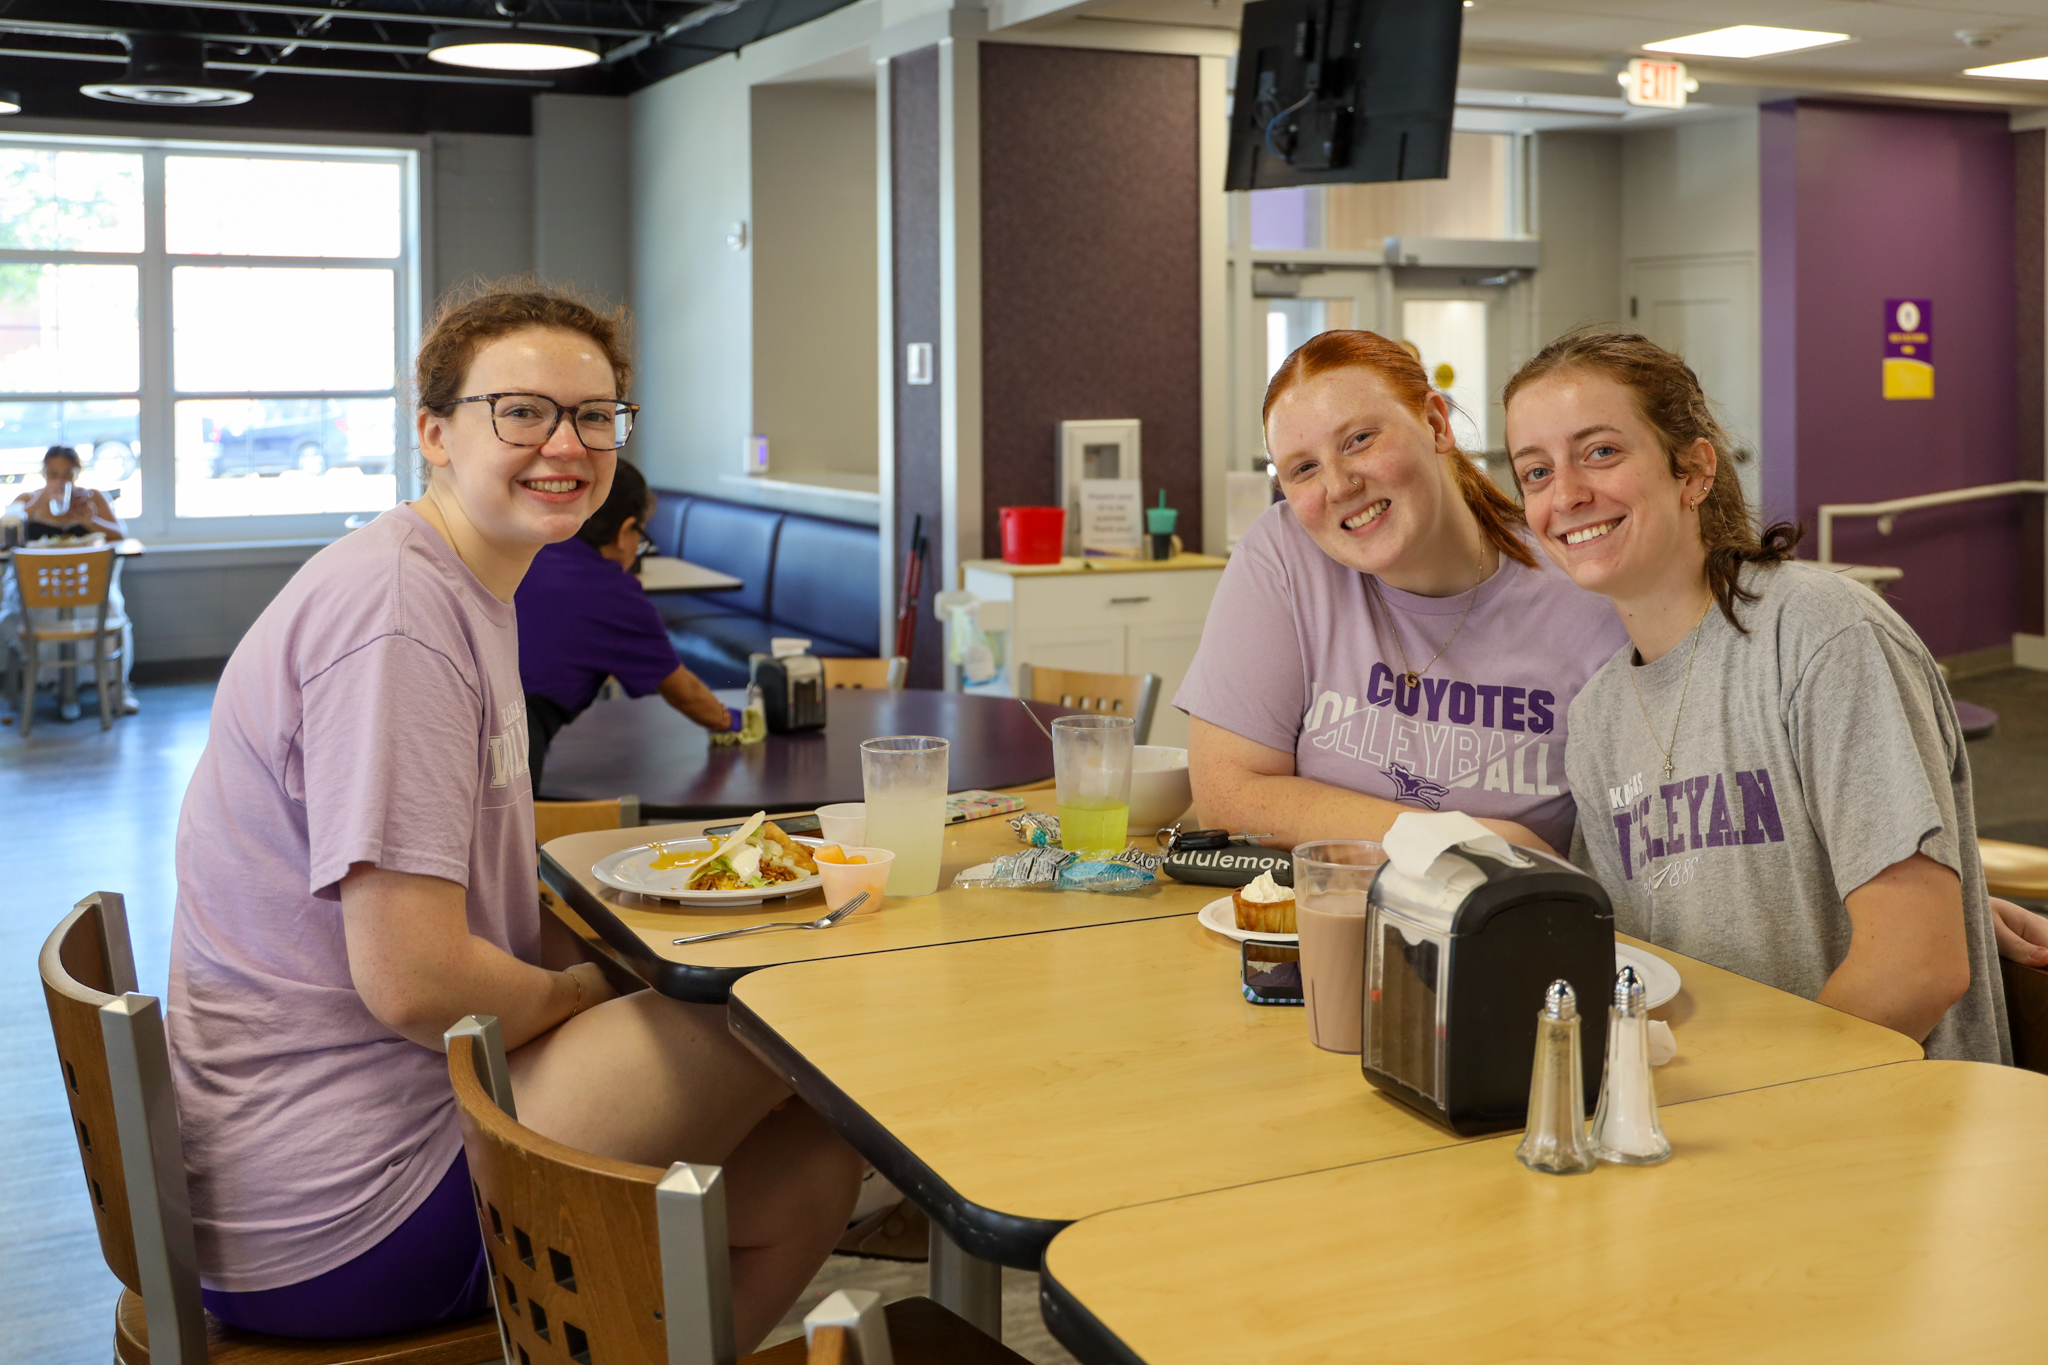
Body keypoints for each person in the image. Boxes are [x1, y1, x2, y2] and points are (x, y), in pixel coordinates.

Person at [167, 283, 864, 1344]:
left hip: (316, 1155)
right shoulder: (400, 620)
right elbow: (414, 983)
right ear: (435, 432)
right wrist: (589, 988)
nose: (566, 445)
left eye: (594, 416)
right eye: (521, 411)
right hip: (341, 1203)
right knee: (777, 1016)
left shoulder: (464, 582)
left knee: (813, 1165)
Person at [1502, 329, 2010, 1063]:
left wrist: (1750, 1104)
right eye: (1536, 472)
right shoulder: (1598, 718)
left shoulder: (1822, 634)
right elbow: (1638, 974)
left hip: (1888, 1129)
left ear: (1694, 470)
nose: (1568, 493)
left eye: (1602, 451)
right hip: (1714, 1122)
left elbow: (1917, 966)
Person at [1177, 330, 1628, 855]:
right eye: (1304, 468)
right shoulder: (1284, 556)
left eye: (1360, 440)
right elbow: (1226, 794)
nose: (1340, 486)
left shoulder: (1585, 581)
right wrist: (1456, 839)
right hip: (1320, 921)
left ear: (1436, 423)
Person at [515, 457, 733, 794]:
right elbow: (686, 694)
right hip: (517, 738)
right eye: (640, 534)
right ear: (623, 531)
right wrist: (733, 721)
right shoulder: (612, 593)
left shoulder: (526, 549)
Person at [3, 445, 136, 716]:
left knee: (109, 608)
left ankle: (114, 686)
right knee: (26, 611)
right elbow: (5, 540)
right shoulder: (27, 500)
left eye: (67, 474)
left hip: (87, 586)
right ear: (43, 473)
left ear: (77, 473)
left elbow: (120, 536)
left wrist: (91, 521)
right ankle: (51, 682)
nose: (60, 481)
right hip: (38, 587)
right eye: (53, 474)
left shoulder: (92, 499)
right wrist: (34, 510)